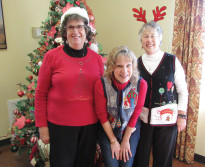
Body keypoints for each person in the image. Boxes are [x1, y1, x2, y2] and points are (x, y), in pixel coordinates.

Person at [34, 7, 104, 167]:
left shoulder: (97, 59)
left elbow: (102, 93)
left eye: (79, 26)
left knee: (85, 163)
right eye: (70, 27)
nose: (75, 31)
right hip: (60, 126)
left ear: (86, 31)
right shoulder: (51, 57)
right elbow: (40, 94)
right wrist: (42, 126)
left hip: (90, 125)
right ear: (64, 32)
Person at [133, 21, 188, 167]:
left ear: (159, 39)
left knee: (163, 160)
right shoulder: (136, 63)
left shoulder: (172, 61)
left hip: (167, 120)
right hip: (143, 121)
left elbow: (182, 90)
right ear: (141, 41)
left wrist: (182, 116)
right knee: (140, 158)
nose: (149, 40)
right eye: (145, 36)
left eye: (153, 36)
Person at [94, 46, 148, 167]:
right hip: (108, 129)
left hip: (130, 129)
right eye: (119, 66)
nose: (124, 71)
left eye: (128, 65)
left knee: (126, 163)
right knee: (112, 164)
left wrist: (125, 140)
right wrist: (113, 141)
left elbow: (136, 113)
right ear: (112, 67)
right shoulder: (101, 84)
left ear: (133, 66)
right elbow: (102, 115)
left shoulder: (141, 84)